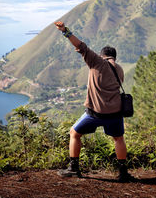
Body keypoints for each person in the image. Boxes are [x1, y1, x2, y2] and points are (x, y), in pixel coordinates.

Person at [54, 21, 135, 182]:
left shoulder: (97, 62)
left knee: (74, 133)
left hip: (95, 113)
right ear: (114, 57)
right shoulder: (119, 68)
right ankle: (123, 172)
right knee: (118, 139)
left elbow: (80, 46)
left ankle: (74, 168)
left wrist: (65, 31)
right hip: (115, 113)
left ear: (102, 55)